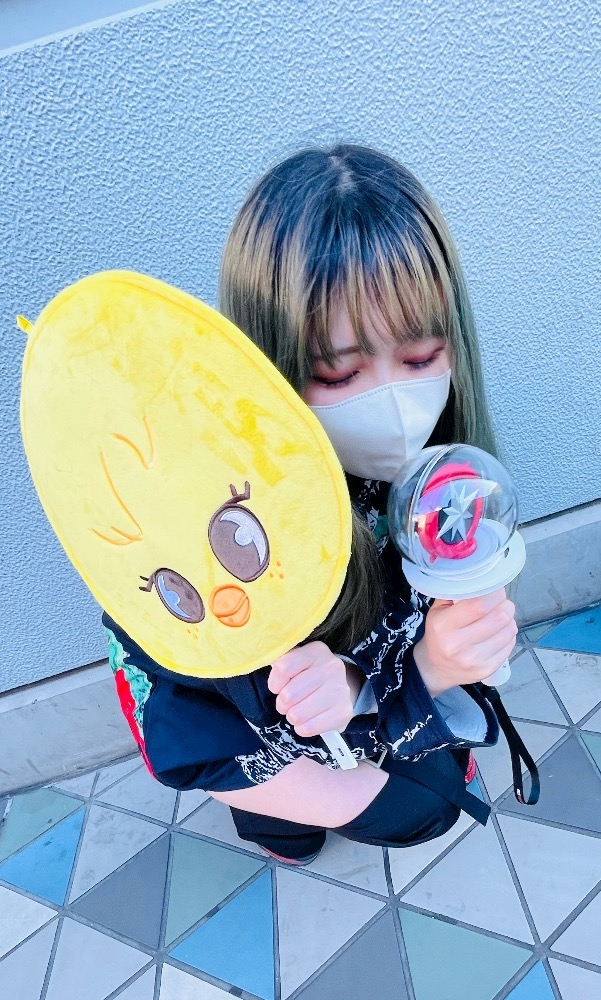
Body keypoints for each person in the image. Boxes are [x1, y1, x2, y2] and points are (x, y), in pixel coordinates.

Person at [103, 144, 518, 864]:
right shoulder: (224, 527)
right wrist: (419, 677)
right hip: (221, 715)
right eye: (338, 374)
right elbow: (238, 719)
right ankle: (276, 827)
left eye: (421, 359)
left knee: (430, 764)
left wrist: (423, 661)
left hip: (350, 683)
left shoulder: (439, 469)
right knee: (417, 810)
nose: (395, 405)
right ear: (270, 361)